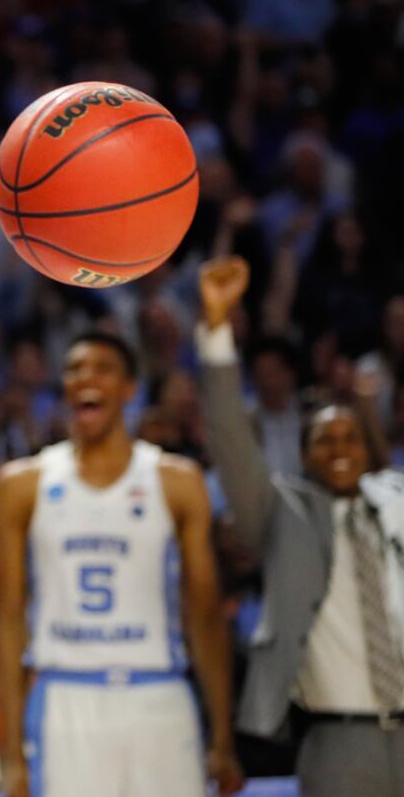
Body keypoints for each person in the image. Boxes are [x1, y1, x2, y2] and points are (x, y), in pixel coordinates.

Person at [0, 330, 244, 797]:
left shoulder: (177, 481)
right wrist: (10, 750)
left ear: (130, 388)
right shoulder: (22, 484)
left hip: (159, 693)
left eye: (103, 369)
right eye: (75, 369)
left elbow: (206, 615)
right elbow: (5, 619)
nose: (86, 378)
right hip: (66, 695)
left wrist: (223, 737)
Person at [198, 257, 404, 796]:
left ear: (371, 447)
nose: (340, 451)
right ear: (304, 457)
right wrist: (219, 332)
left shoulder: (398, 500)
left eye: (351, 439)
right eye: (324, 441)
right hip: (341, 741)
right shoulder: (283, 513)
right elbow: (230, 441)